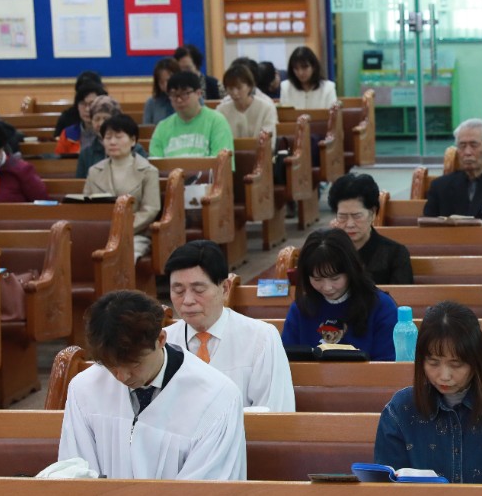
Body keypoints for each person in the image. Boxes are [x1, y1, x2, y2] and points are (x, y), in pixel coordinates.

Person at [58, 289, 246, 481]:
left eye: (134, 364)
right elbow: (76, 474)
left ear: (161, 339)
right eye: (111, 366)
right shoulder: (85, 389)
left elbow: (206, 491)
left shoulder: (216, 398)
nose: (122, 377)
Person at [373, 300, 482, 484]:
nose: (444, 376)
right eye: (433, 363)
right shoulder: (400, 409)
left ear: (476, 360)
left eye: (456, 364)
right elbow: (385, 490)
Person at [164, 240, 294, 411]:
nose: (187, 301)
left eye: (198, 290)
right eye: (178, 291)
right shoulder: (162, 342)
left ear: (225, 288)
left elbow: (275, 412)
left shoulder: (261, 338)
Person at [281, 227, 399, 361]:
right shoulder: (300, 308)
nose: (327, 288)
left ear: (351, 271)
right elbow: (286, 359)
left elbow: (387, 363)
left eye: (335, 278)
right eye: (317, 279)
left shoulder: (381, 306)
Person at [84, 114, 160, 260]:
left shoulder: (148, 171)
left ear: (133, 140)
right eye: (108, 137)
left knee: (123, 256)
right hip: (100, 233)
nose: (112, 142)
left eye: (118, 137)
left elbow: (151, 209)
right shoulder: (94, 171)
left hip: (134, 234)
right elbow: (86, 206)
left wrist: (120, 229)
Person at [328, 172, 414, 285]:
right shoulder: (327, 250)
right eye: (342, 216)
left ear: (373, 213)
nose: (350, 224)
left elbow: (403, 294)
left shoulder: (395, 253)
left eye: (356, 216)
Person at [149, 70, 235, 164]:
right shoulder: (162, 127)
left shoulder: (216, 121)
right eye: (173, 95)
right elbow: (155, 166)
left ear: (198, 93)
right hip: (172, 174)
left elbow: (223, 165)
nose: (179, 100)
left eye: (185, 94)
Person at [75, 96, 139, 178]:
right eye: (96, 119)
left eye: (105, 119)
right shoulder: (86, 153)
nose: (101, 124)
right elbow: (80, 182)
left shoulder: (135, 149)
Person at [218, 62, 277, 144]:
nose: (235, 93)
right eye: (230, 89)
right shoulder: (221, 111)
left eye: (239, 88)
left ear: (250, 86)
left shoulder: (266, 108)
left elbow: (270, 142)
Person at [54, 80, 106, 156]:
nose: (87, 109)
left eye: (92, 103)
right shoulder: (67, 134)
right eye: (83, 104)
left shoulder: (110, 133)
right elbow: (59, 161)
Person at [143, 57, 179, 125]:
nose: (165, 85)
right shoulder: (151, 103)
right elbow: (147, 128)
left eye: (168, 80)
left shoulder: (189, 98)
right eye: (161, 82)